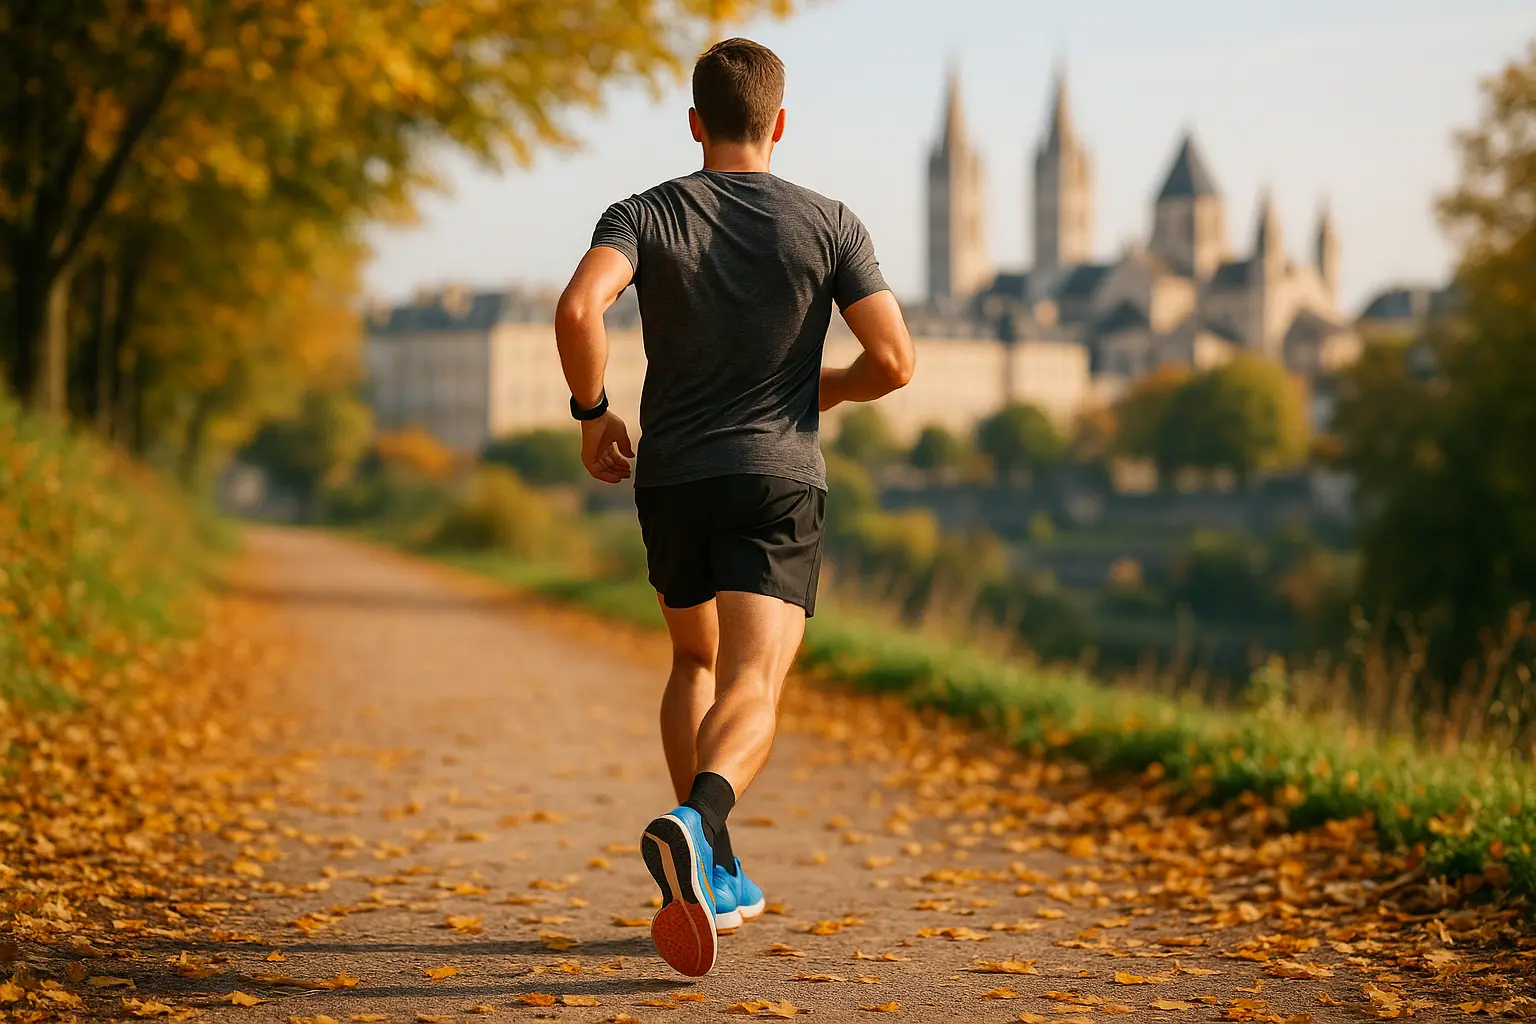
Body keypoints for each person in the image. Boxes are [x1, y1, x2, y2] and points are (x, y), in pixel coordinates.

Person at [553, 36, 915, 978]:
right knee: (755, 681)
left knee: (692, 661)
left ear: (694, 124)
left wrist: (593, 416)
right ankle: (699, 825)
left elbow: (578, 310)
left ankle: (711, 873)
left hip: (671, 476)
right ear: (780, 124)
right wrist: (820, 391)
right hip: (776, 476)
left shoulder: (643, 213)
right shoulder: (830, 222)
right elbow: (896, 363)